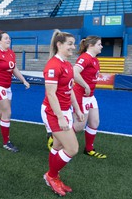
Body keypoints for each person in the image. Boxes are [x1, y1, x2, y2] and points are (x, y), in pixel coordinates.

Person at [41, 30, 84, 196]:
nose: (73, 47)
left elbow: (69, 89)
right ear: (59, 45)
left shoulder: (67, 64)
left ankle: (54, 176)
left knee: (58, 146)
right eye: (70, 44)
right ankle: (51, 176)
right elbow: (51, 94)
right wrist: (60, 117)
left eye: (74, 43)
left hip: (64, 110)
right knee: (72, 149)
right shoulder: (53, 65)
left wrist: (77, 109)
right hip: (53, 112)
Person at [0, 31, 30, 152]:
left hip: (7, 86)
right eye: (6, 38)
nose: (9, 40)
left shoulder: (11, 53)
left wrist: (23, 80)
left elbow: (14, 69)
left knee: (3, 112)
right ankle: (6, 142)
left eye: (9, 38)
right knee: (7, 112)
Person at [72, 36, 107, 158]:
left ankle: (89, 149)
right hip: (80, 96)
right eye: (99, 44)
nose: (101, 46)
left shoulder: (95, 59)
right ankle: (57, 140)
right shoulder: (85, 58)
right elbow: (74, 72)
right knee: (79, 126)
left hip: (91, 96)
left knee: (94, 122)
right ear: (90, 45)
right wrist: (85, 85)